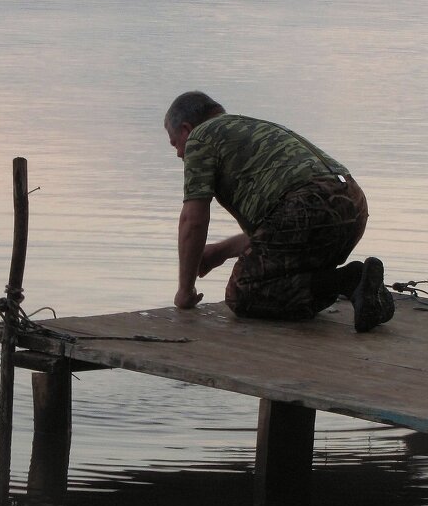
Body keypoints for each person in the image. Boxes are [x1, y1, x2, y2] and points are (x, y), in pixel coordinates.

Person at [165, 90, 394, 332]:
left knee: (244, 293)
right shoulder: (248, 128)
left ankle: (346, 280)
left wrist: (185, 291)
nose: (179, 153)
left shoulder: (199, 139)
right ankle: (362, 291)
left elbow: (193, 221)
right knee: (282, 270)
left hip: (307, 205)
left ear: (186, 130)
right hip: (352, 204)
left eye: (174, 143)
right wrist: (220, 252)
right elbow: (274, 231)